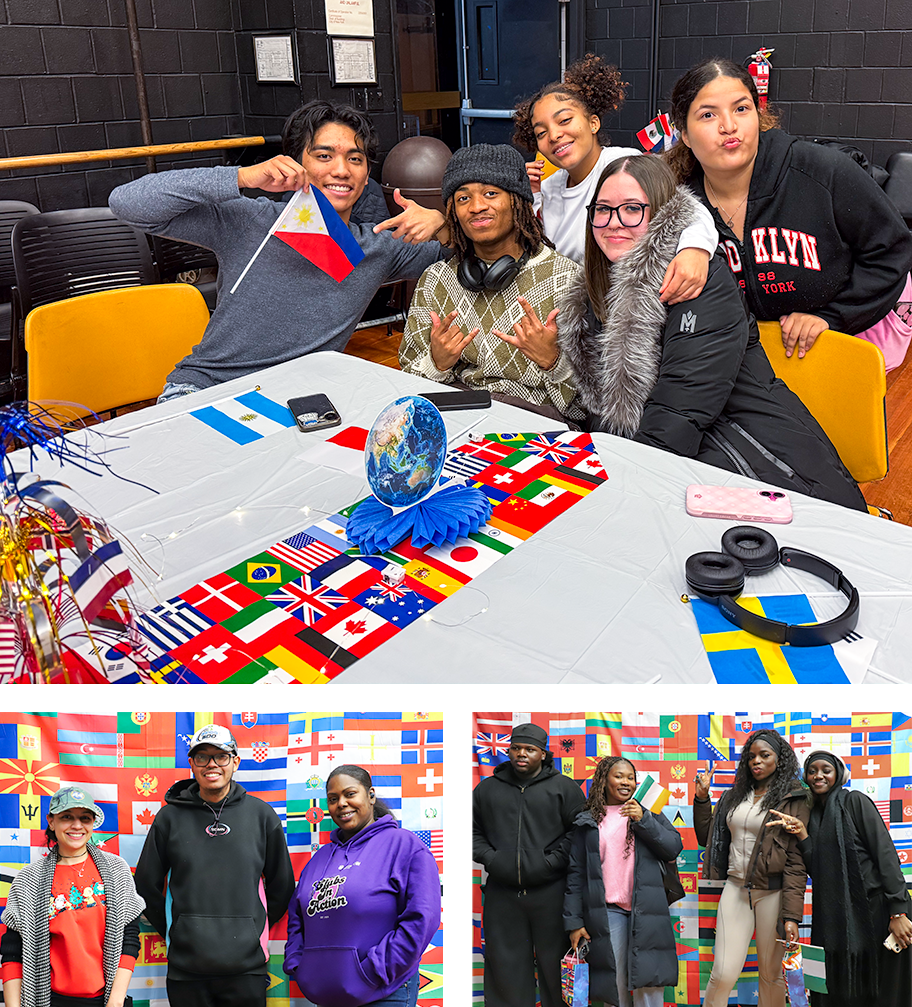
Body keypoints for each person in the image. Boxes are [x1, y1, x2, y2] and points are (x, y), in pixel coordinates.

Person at [556, 152, 868, 511]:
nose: (614, 223)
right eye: (603, 209)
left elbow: (680, 410)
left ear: (662, 216)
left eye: (632, 209)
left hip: (769, 476)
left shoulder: (701, 282)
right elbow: (610, 414)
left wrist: (622, 490)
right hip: (678, 468)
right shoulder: (598, 292)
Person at [109, 100, 449, 400]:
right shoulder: (252, 219)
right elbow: (127, 204)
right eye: (324, 156)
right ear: (295, 162)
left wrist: (443, 224)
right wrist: (240, 177)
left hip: (298, 402)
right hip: (210, 390)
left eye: (355, 159)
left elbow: (463, 257)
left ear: (366, 174)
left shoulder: (378, 248)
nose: (341, 170)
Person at [667, 57, 912, 370]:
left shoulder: (823, 171)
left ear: (758, 114)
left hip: (847, 337)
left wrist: (833, 316)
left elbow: (892, 249)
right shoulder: (679, 203)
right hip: (753, 357)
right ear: (685, 134)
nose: (728, 126)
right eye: (708, 114)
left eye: (741, 109)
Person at [512, 53, 717, 305]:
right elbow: (543, 255)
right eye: (541, 133)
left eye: (564, 120)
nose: (554, 135)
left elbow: (690, 209)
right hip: (573, 307)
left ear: (593, 123)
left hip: (627, 304)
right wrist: (530, 198)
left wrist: (695, 250)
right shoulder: (548, 188)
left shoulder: (625, 164)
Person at [399, 143, 583, 421]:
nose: (476, 207)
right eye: (463, 198)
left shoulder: (567, 280)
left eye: (491, 193)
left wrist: (553, 362)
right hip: (457, 416)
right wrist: (436, 364)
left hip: (536, 425)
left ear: (517, 201)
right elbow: (407, 384)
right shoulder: (436, 281)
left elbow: (588, 408)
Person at [134, 724, 295, 1007]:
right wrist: (179, 931)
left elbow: (282, 886)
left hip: (247, 969)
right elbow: (145, 886)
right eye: (202, 757)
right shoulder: (169, 818)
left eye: (221, 756)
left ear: (235, 761)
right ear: (191, 764)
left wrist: (251, 930)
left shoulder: (262, 815)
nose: (212, 764)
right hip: (186, 970)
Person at [284, 764, 440, 1007]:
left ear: (371, 795)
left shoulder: (404, 846)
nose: (341, 803)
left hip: (384, 992)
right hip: (327, 993)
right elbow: (297, 918)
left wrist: (373, 971)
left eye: (350, 794)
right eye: (333, 799)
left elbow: (423, 917)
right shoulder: (320, 858)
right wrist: (299, 965)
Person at [768, 750, 912, 1007]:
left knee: (883, 990)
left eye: (826, 770)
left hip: (877, 912)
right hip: (837, 918)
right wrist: (803, 836)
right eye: (812, 771)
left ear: (838, 775)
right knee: (843, 991)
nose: (818, 775)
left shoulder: (855, 802)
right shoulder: (813, 816)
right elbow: (819, 872)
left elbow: (886, 856)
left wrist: (898, 912)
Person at [471, 723, 586, 1007]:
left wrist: (550, 863)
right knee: (504, 972)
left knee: (557, 973)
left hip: (552, 894)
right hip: (503, 894)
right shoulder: (486, 790)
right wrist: (493, 859)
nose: (521, 754)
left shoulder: (565, 788)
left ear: (543, 754)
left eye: (530, 749)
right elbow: (471, 832)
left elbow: (579, 833)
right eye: (516, 748)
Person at [693, 730, 809, 1007]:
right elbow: (708, 838)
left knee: (771, 975)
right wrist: (702, 799)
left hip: (773, 891)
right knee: (722, 972)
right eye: (751, 756)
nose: (756, 761)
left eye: (764, 755)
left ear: (779, 760)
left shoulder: (794, 798)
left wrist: (792, 916)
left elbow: (796, 863)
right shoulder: (734, 796)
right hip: (735, 888)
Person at [1, 785, 144, 1007]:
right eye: (67, 817)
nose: (77, 825)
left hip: (107, 1000)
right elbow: (12, 952)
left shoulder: (116, 870)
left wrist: (115, 1001)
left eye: (85, 818)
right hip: (49, 1000)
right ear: (51, 822)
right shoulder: (29, 880)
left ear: (93, 823)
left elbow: (130, 939)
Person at [563, 756, 682, 1007]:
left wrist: (643, 819)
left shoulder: (648, 812)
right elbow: (575, 875)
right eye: (618, 776)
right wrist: (574, 923)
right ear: (604, 781)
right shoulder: (588, 821)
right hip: (608, 912)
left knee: (649, 982)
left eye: (630, 777)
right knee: (614, 985)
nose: (626, 782)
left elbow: (672, 847)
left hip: (648, 910)